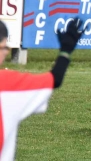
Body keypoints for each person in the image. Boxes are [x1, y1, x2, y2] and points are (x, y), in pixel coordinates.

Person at [0, 18, 84, 160]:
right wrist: (66, 51)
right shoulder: (7, 84)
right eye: (3, 47)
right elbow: (54, 79)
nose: (6, 52)